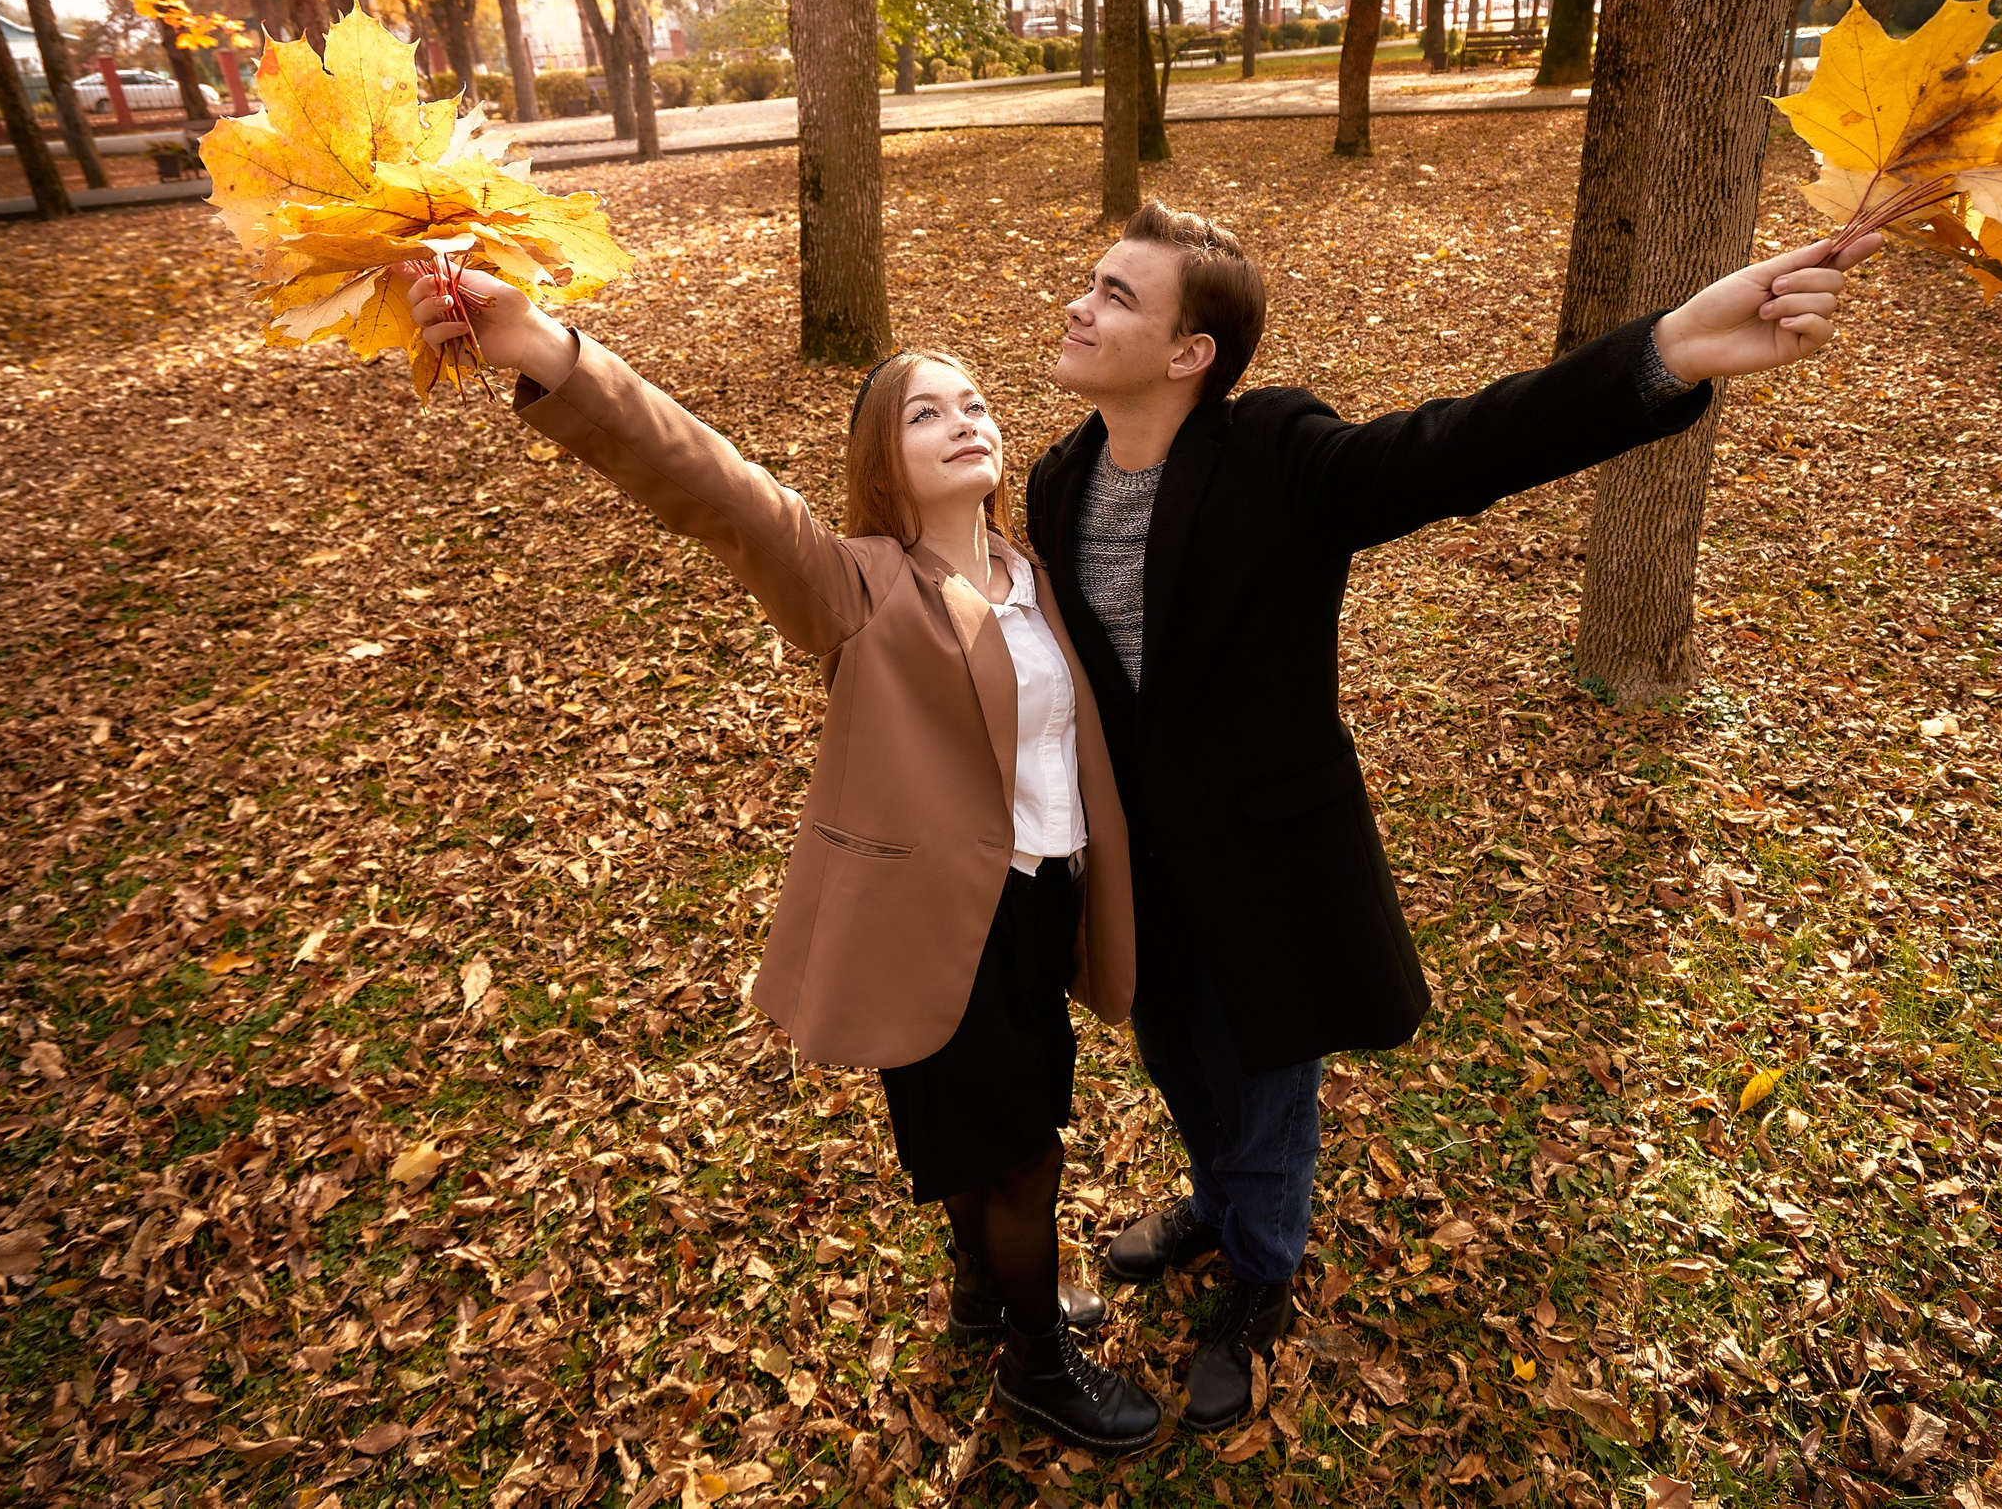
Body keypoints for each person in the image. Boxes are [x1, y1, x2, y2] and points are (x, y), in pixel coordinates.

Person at [1024, 203, 1882, 1432]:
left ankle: (1260, 1283)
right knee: (1180, 1066)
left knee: (1268, 1089)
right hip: (1142, 871)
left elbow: (1464, 444)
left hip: (1268, 871)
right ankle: (1215, 1206)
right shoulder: (1060, 480)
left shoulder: (1274, 453)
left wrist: (1668, 354)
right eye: (1088, 282)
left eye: (1113, 293)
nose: (1077, 304)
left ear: (1187, 354)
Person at [399, 264, 1166, 1455]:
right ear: (879, 467)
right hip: (925, 929)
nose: (963, 420)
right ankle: (1038, 1362)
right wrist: (543, 346)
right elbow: (708, 483)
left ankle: (985, 1292)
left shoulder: (1036, 581)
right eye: (925, 413)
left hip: (1035, 912)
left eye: (972, 402)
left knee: (987, 1142)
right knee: (1023, 1161)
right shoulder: (854, 585)